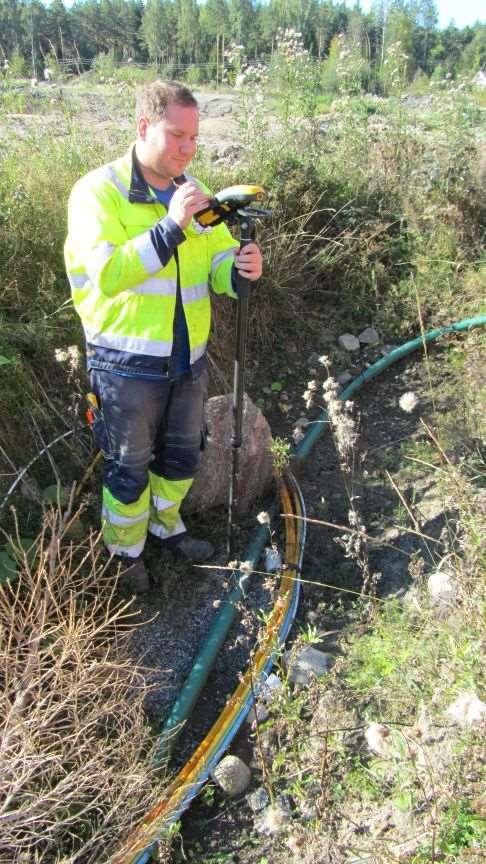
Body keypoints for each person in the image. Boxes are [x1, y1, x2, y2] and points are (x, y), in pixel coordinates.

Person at [65, 80, 262, 591]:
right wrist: (172, 226)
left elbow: (214, 260)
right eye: (177, 136)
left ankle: (165, 527)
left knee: (181, 457)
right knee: (127, 467)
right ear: (144, 127)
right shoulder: (97, 192)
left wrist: (238, 271)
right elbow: (108, 274)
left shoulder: (189, 190)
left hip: (186, 359)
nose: (187, 149)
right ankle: (125, 554)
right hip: (124, 362)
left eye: (194, 139)